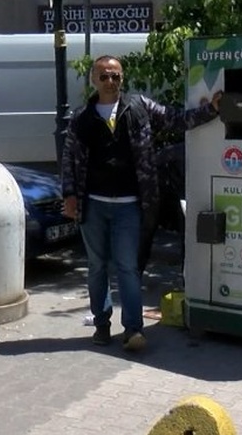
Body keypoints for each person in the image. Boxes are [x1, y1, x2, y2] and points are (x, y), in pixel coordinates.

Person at [61, 55, 223, 352]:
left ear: (122, 79)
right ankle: (101, 324)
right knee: (97, 267)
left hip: (130, 204)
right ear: (94, 80)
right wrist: (69, 195)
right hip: (93, 204)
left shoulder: (140, 106)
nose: (110, 81)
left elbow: (176, 119)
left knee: (128, 266)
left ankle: (133, 329)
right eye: (104, 76)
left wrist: (211, 110)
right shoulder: (81, 118)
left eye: (115, 76)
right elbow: (69, 159)